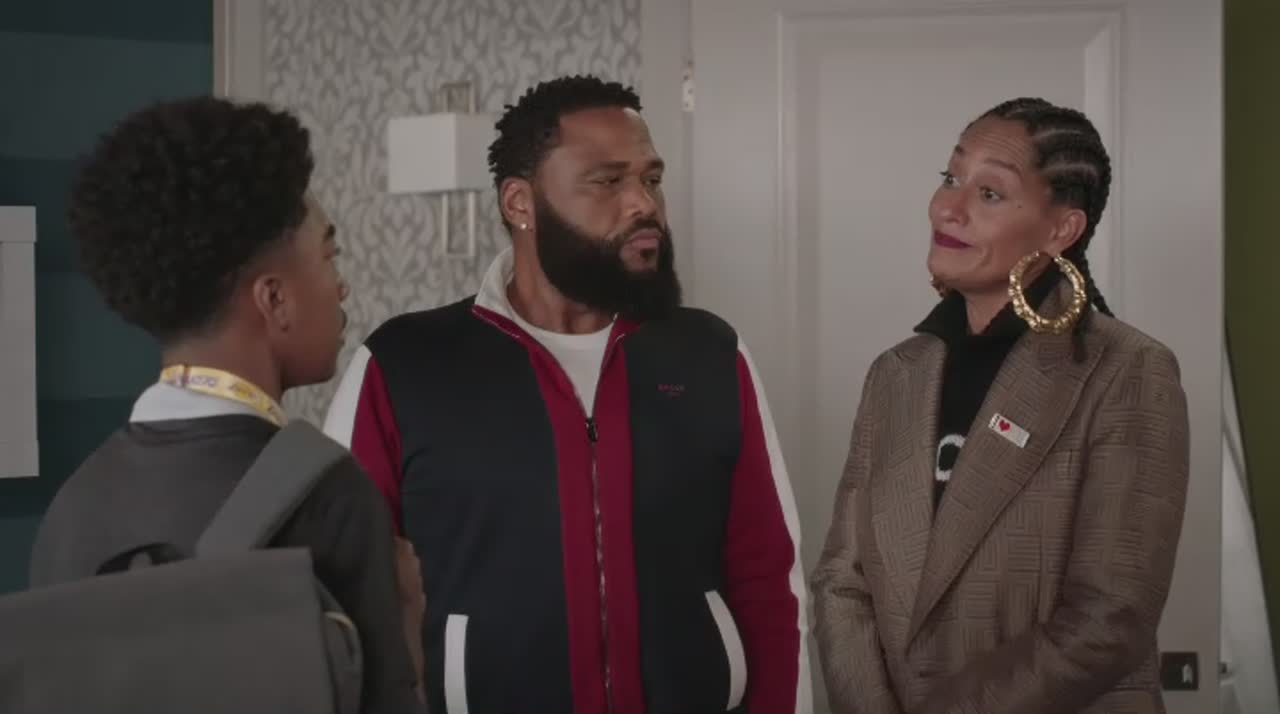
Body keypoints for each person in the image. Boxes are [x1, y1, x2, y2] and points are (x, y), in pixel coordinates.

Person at [324, 75, 811, 714]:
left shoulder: (711, 355)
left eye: (652, 179)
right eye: (607, 181)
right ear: (520, 203)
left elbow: (769, 580)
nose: (643, 204)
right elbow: (347, 593)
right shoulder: (404, 366)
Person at [29, 96, 426, 714]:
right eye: (328, 256)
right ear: (274, 299)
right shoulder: (330, 498)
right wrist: (407, 617)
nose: (341, 285)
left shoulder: (73, 509)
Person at [810, 97, 1190, 714]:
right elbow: (842, 583)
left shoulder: (1127, 370)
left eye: (989, 193)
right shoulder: (895, 374)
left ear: (1061, 230)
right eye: (951, 177)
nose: (947, 207)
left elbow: (1109, 618)